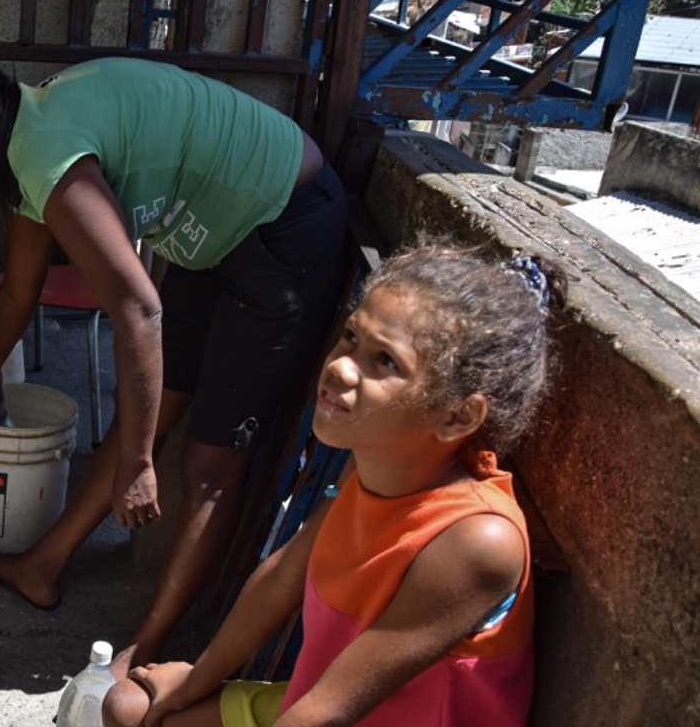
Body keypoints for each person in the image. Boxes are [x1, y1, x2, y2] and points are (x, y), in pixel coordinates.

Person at [0, 50, 349, 676]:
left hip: (287, 217)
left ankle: (152, 644)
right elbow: (18, 288)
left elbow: (140, 311)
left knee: (208, 463)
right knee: (137, 422)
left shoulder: (44, 151)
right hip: (219, 240)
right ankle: (41, 567)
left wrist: (140, 467)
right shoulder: (23, 146)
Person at [101, 242, 567, 727]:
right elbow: (281, 579)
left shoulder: (478, 541)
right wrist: (193, 683)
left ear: (458, 416)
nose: (341, 366)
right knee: (131, 708)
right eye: (350, 336)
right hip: (311, 705)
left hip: (336, 715)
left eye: (385, 360)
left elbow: (331, 711)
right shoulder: (367, 469)